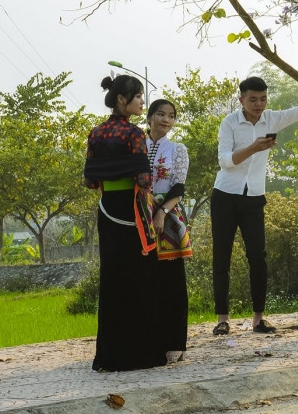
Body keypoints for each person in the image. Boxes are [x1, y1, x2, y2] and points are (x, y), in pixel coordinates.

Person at [212, 75, 298, 335]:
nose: (259, 104)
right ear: (241, 100)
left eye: (263, 99)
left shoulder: (272, 119)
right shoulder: (229, 123)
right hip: (225, 196)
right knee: (222, 257)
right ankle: (222, 319)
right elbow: (225, 161)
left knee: (258, 257)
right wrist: (254, 147)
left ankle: (258, 319)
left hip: (254, 197)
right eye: (253, 100)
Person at [83, 73, 166, 372]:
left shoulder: (95, 133)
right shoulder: (134, 135)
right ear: (122, 99)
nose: (143, 101)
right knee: (141, 279)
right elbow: (144, 180)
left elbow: (90, 180)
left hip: (107, 209)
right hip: (132, 212)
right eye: (138, 96)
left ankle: (110, 356)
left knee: (113, 280)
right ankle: (141, 355)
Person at [146, 98, 191, 363]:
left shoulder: (177, 150)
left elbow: (178, 187)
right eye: (161, 114)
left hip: (167, 215)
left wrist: (161, 212)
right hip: (139, 215)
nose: (166, 120)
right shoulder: (137, 146)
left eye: (171, 116)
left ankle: (176, 341)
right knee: (146, 280)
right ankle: (151, 341)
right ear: (149, 117)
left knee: (172, 281)